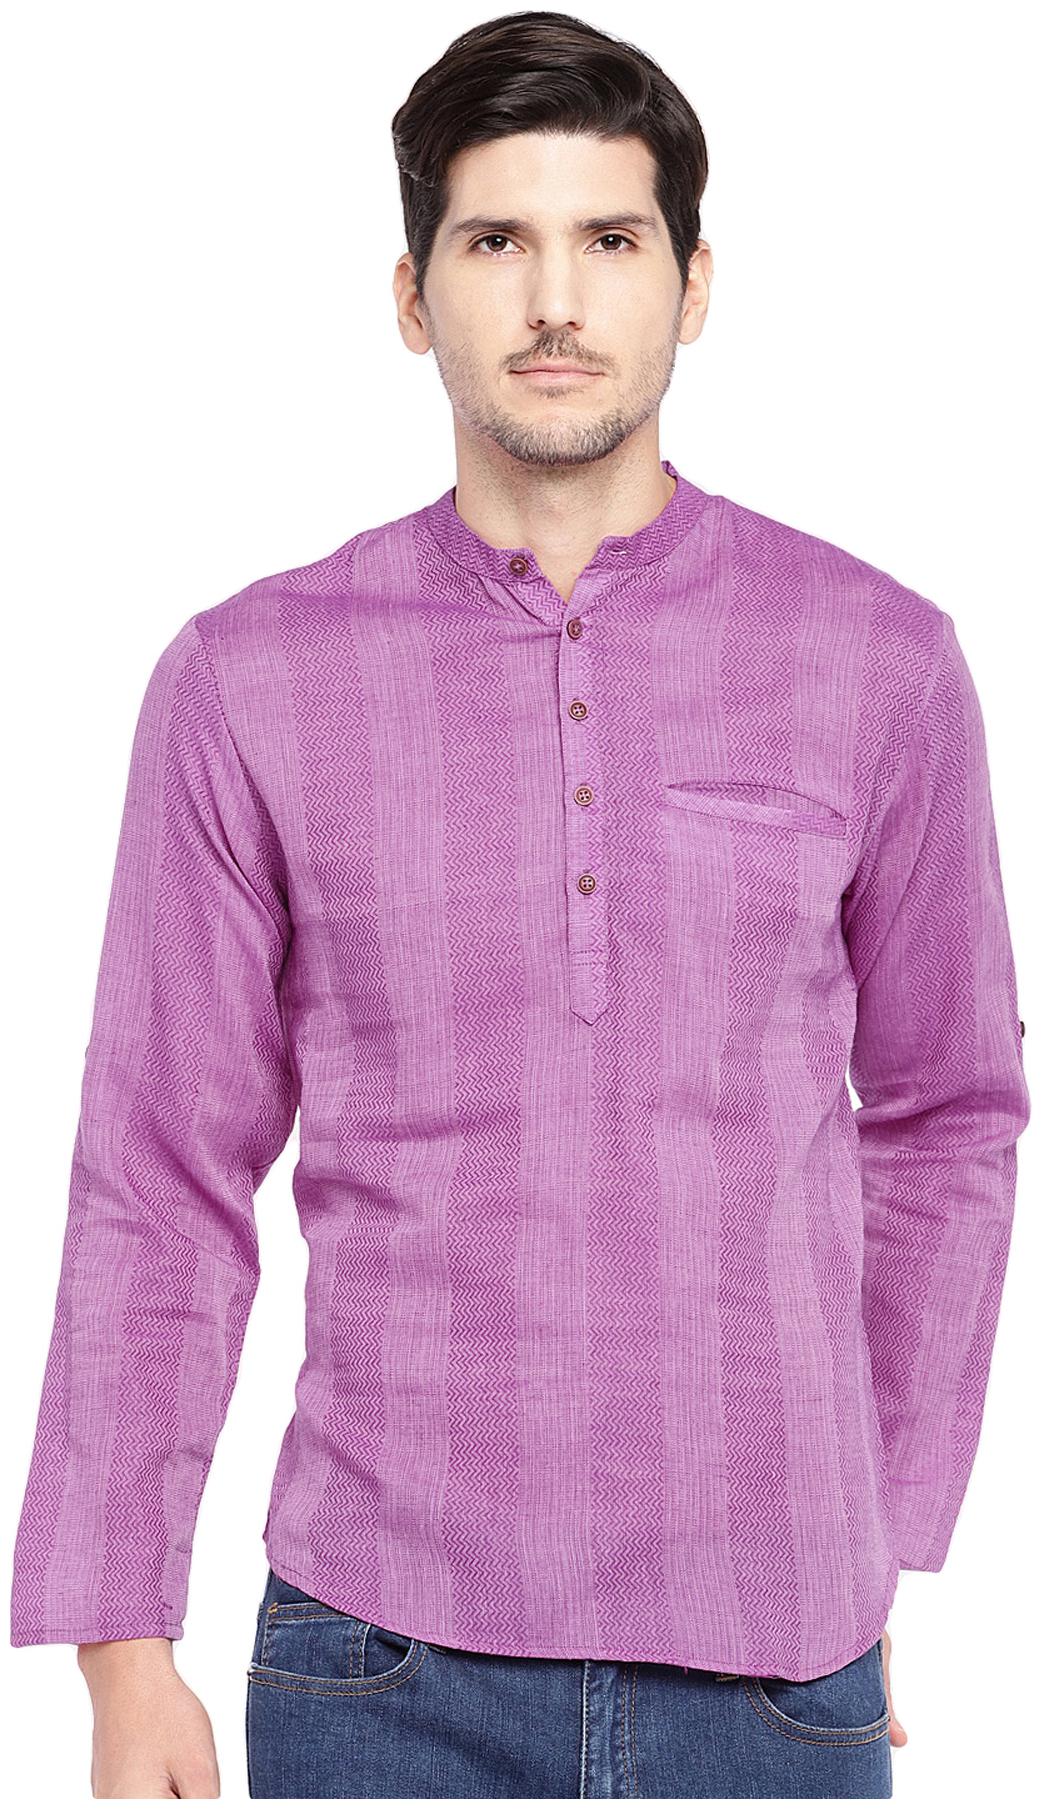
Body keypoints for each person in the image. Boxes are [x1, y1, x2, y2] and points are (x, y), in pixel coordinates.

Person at [10, 9, 1030, 1800]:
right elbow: (158, 1163)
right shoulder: (249, 679)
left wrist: (869, 1528)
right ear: (412, 296)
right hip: (372, 1659)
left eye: (608, 240)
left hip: (779, 1667)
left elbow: (952, 1109)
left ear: (693, 285)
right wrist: (121, 1641)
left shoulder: (876, 660)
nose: (555, 301)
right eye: (495, 240)